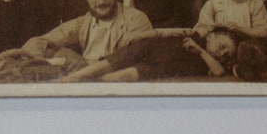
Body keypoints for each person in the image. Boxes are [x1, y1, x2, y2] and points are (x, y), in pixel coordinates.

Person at [22, 0, 152, 67]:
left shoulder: (135, 19)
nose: (101, 1)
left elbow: (133, 59)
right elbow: (37, 42)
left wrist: (70, 62)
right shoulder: (82, 23)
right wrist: (40, 62)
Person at [60, 26, 240, 82]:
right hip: (153, 48)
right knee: (115, 61)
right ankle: (75, 76)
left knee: (127, 74)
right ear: (211, 36)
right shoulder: (192, 33)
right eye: (222, 45)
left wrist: (200, 51)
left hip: (161, 67)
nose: (222, 53)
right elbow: (163, 33)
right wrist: (141, 35)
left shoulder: (206, 62)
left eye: (227, 53)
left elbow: (219, 73)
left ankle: (94, 84)